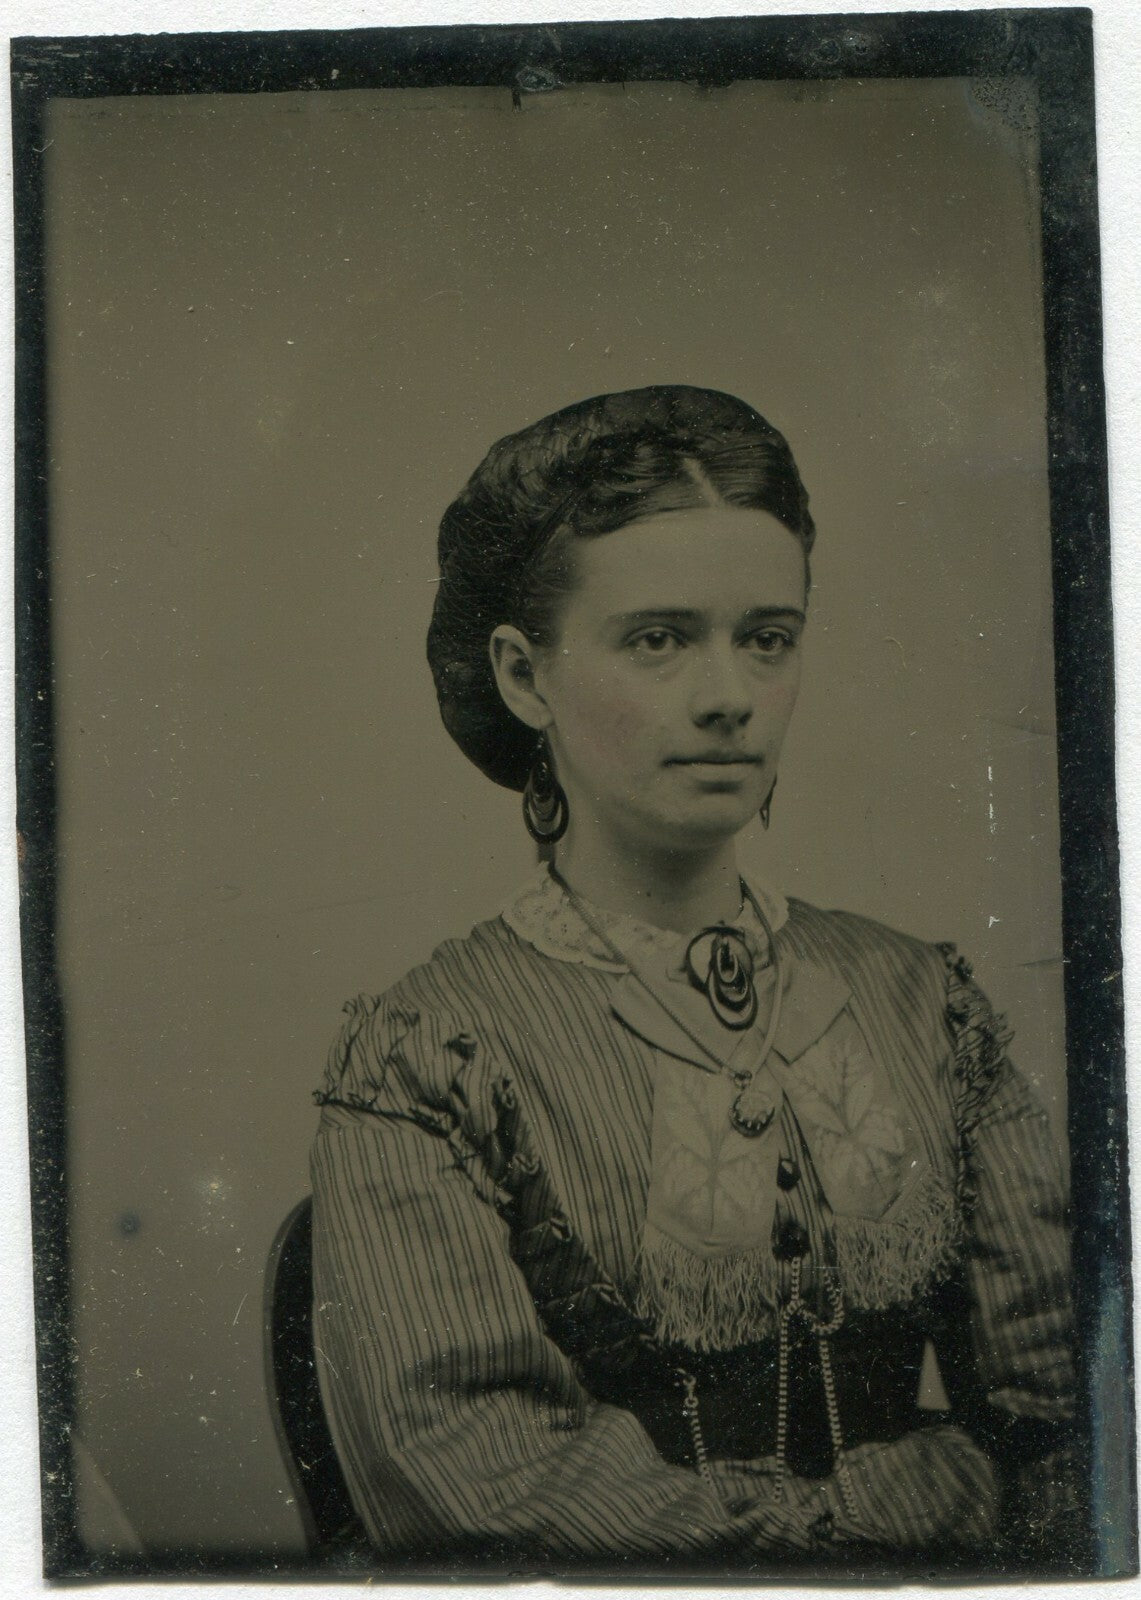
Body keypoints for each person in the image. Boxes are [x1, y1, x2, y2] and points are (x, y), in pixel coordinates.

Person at [310, 385, 1078, 1569]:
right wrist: (869, 1527)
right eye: (658, 639)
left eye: (766, 637)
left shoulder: (921, 1001)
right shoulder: (432, 1051)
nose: (730, 696)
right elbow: (473, 1474)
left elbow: (1065, 1405)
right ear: (524, 677)